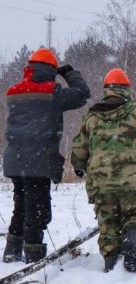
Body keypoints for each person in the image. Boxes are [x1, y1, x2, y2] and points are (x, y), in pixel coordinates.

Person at [71, 68, 136, 273]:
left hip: (101, 184)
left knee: (108, 227)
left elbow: (80, 146)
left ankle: (111, 265)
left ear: (106, 90)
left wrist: (79, 166)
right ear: (127, 89)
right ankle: (132, 240)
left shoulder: (92, 116)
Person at [3, 48, 90, 264]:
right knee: (38, 211)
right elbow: (82, 94)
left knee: (20, 206)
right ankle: (34, 259)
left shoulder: (13, 92)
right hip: (39, 161)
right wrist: (69, 73)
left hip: (15, 160)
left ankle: (11, 253)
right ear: (52, 69)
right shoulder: (52, 91)